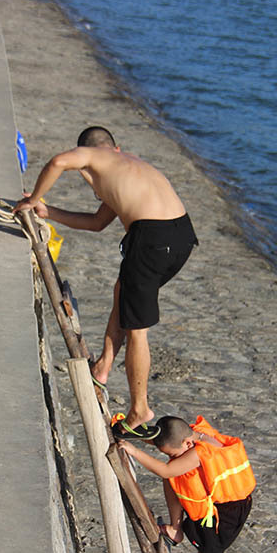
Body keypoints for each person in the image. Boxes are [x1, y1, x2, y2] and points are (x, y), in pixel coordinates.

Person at [14, 126, 198, 441]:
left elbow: (58, 162)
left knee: (137, 329)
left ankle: (140, 408)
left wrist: (35, 199)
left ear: (91, 155)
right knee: (122, 292)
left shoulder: (94, 155)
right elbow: (97, 223)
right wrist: (50, 212)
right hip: (180, 237)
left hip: (152, 238)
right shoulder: (128, 168)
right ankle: (102, 367)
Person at [119, 415, 255, 553]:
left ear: (187, 444)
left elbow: (164, 470)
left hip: (225, 513)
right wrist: (128, 432)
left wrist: (133, 451)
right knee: (172, 475)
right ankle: (175, 529)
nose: (170, 458)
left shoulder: (197, 452)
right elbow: (161, 443)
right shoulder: (190, 434)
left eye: (171, 453)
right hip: (216, 502)